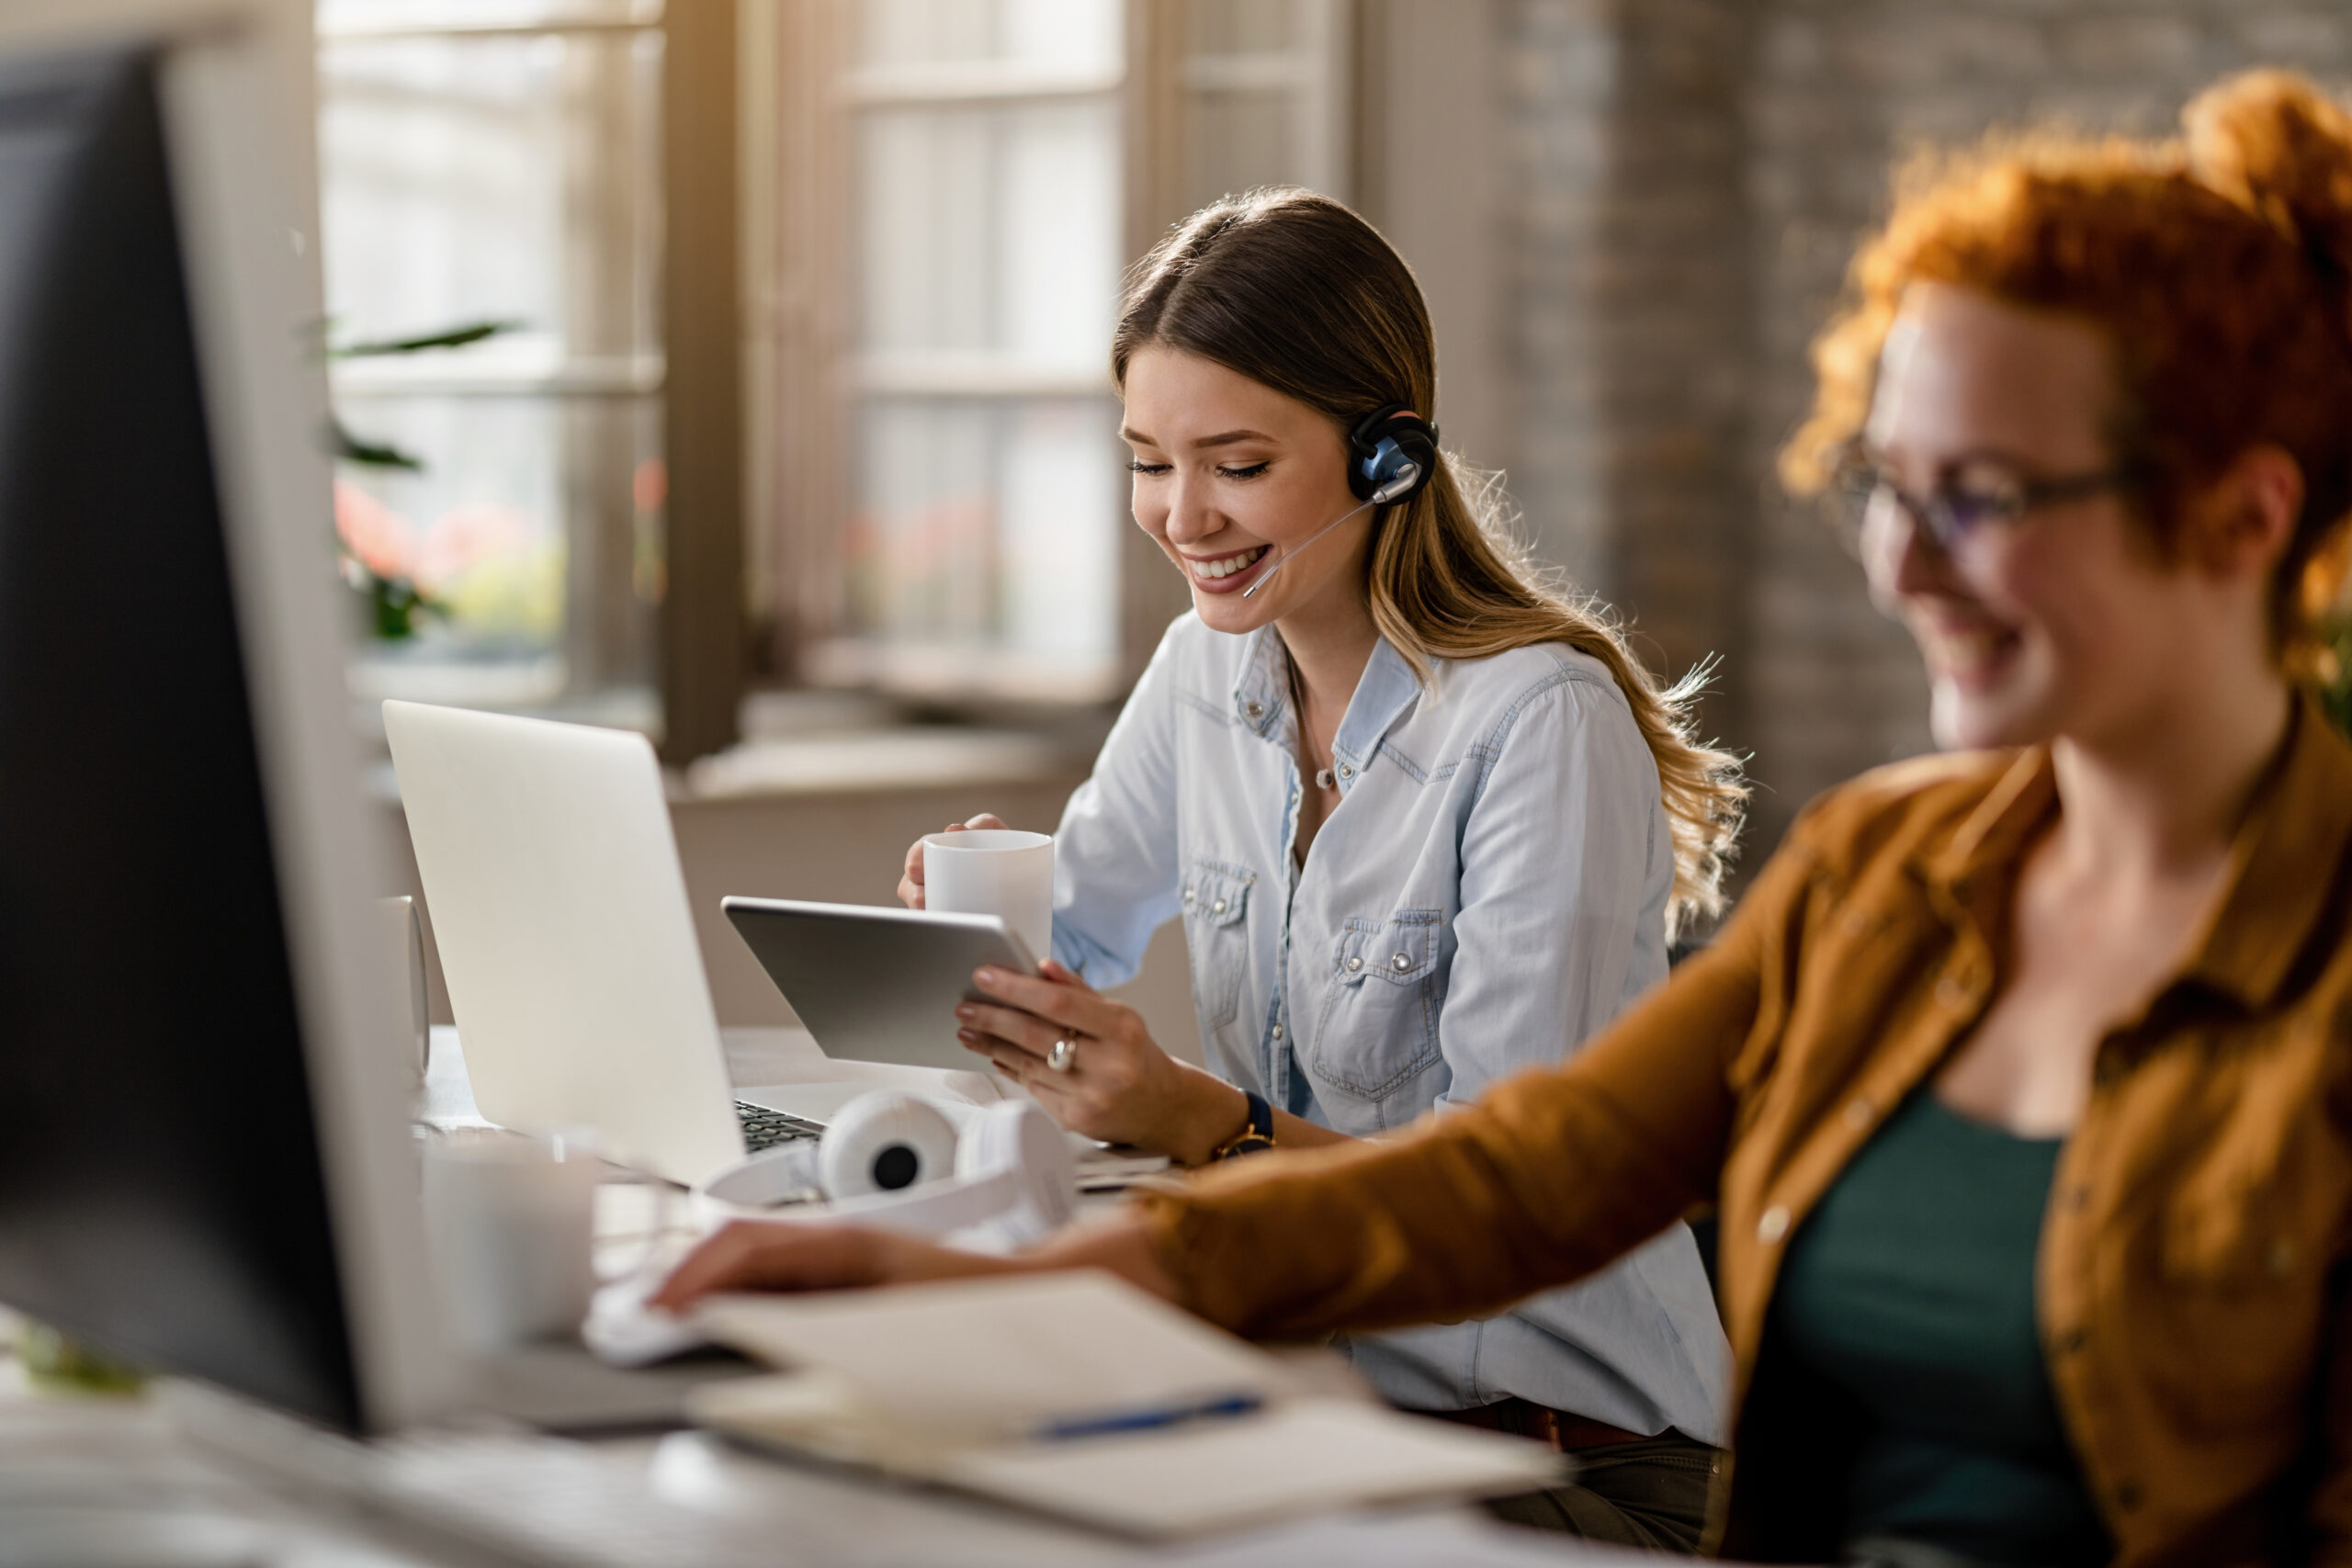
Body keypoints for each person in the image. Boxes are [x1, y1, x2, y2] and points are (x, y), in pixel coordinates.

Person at [666, 69, 2352, 1562]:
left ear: (2239, 516)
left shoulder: (2315, 958)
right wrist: (929, 1293)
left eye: (1978, 496)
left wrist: (1176, 1145)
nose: (1900, 567)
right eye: (1881, 485)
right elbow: (1506, 1184)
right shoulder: (1887, 876)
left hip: (1567, 1457)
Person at [895, 187, 1747, 1547]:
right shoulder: (1206, 670)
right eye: (1146, 460)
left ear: (1388, 459)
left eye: (1236, 464)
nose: (1182, 516)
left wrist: (1195, 1120)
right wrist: (984, 903)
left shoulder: (1542, 723)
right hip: (1321, 1407)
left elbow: (1508, 1210)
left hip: (1563, 1462)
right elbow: (1082, 936)